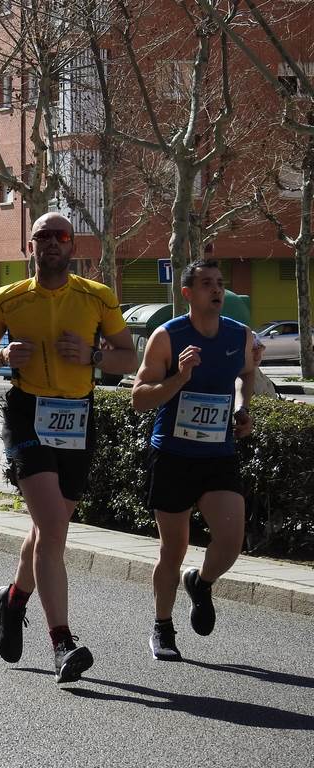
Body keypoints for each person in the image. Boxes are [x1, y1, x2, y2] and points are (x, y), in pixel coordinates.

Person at [0, 212, 137, 684]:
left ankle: (14, 598)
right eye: (42, 237)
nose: (51, 244)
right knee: (53, 526)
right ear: (31, 246)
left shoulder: (96, 297)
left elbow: (129, 357)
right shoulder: (9, 298)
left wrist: (95, 356)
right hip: (27, 413)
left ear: (73, 245)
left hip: (77, 417)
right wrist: (1, 356)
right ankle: (62, 642)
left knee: (50, 528)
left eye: (59, 237)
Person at [132, 259, 255, 661]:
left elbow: (244, 375)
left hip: (218, 454)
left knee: (232, 538)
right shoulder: (167, 337)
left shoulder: (240, 335)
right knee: (174, 548)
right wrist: (180, 379)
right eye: (206, 284)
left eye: (220, 284)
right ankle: (162, 627)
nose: (216, 290)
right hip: (172, 454)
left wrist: (241, 409)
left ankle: (201, 583)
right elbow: (138, 398)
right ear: (187, 293)